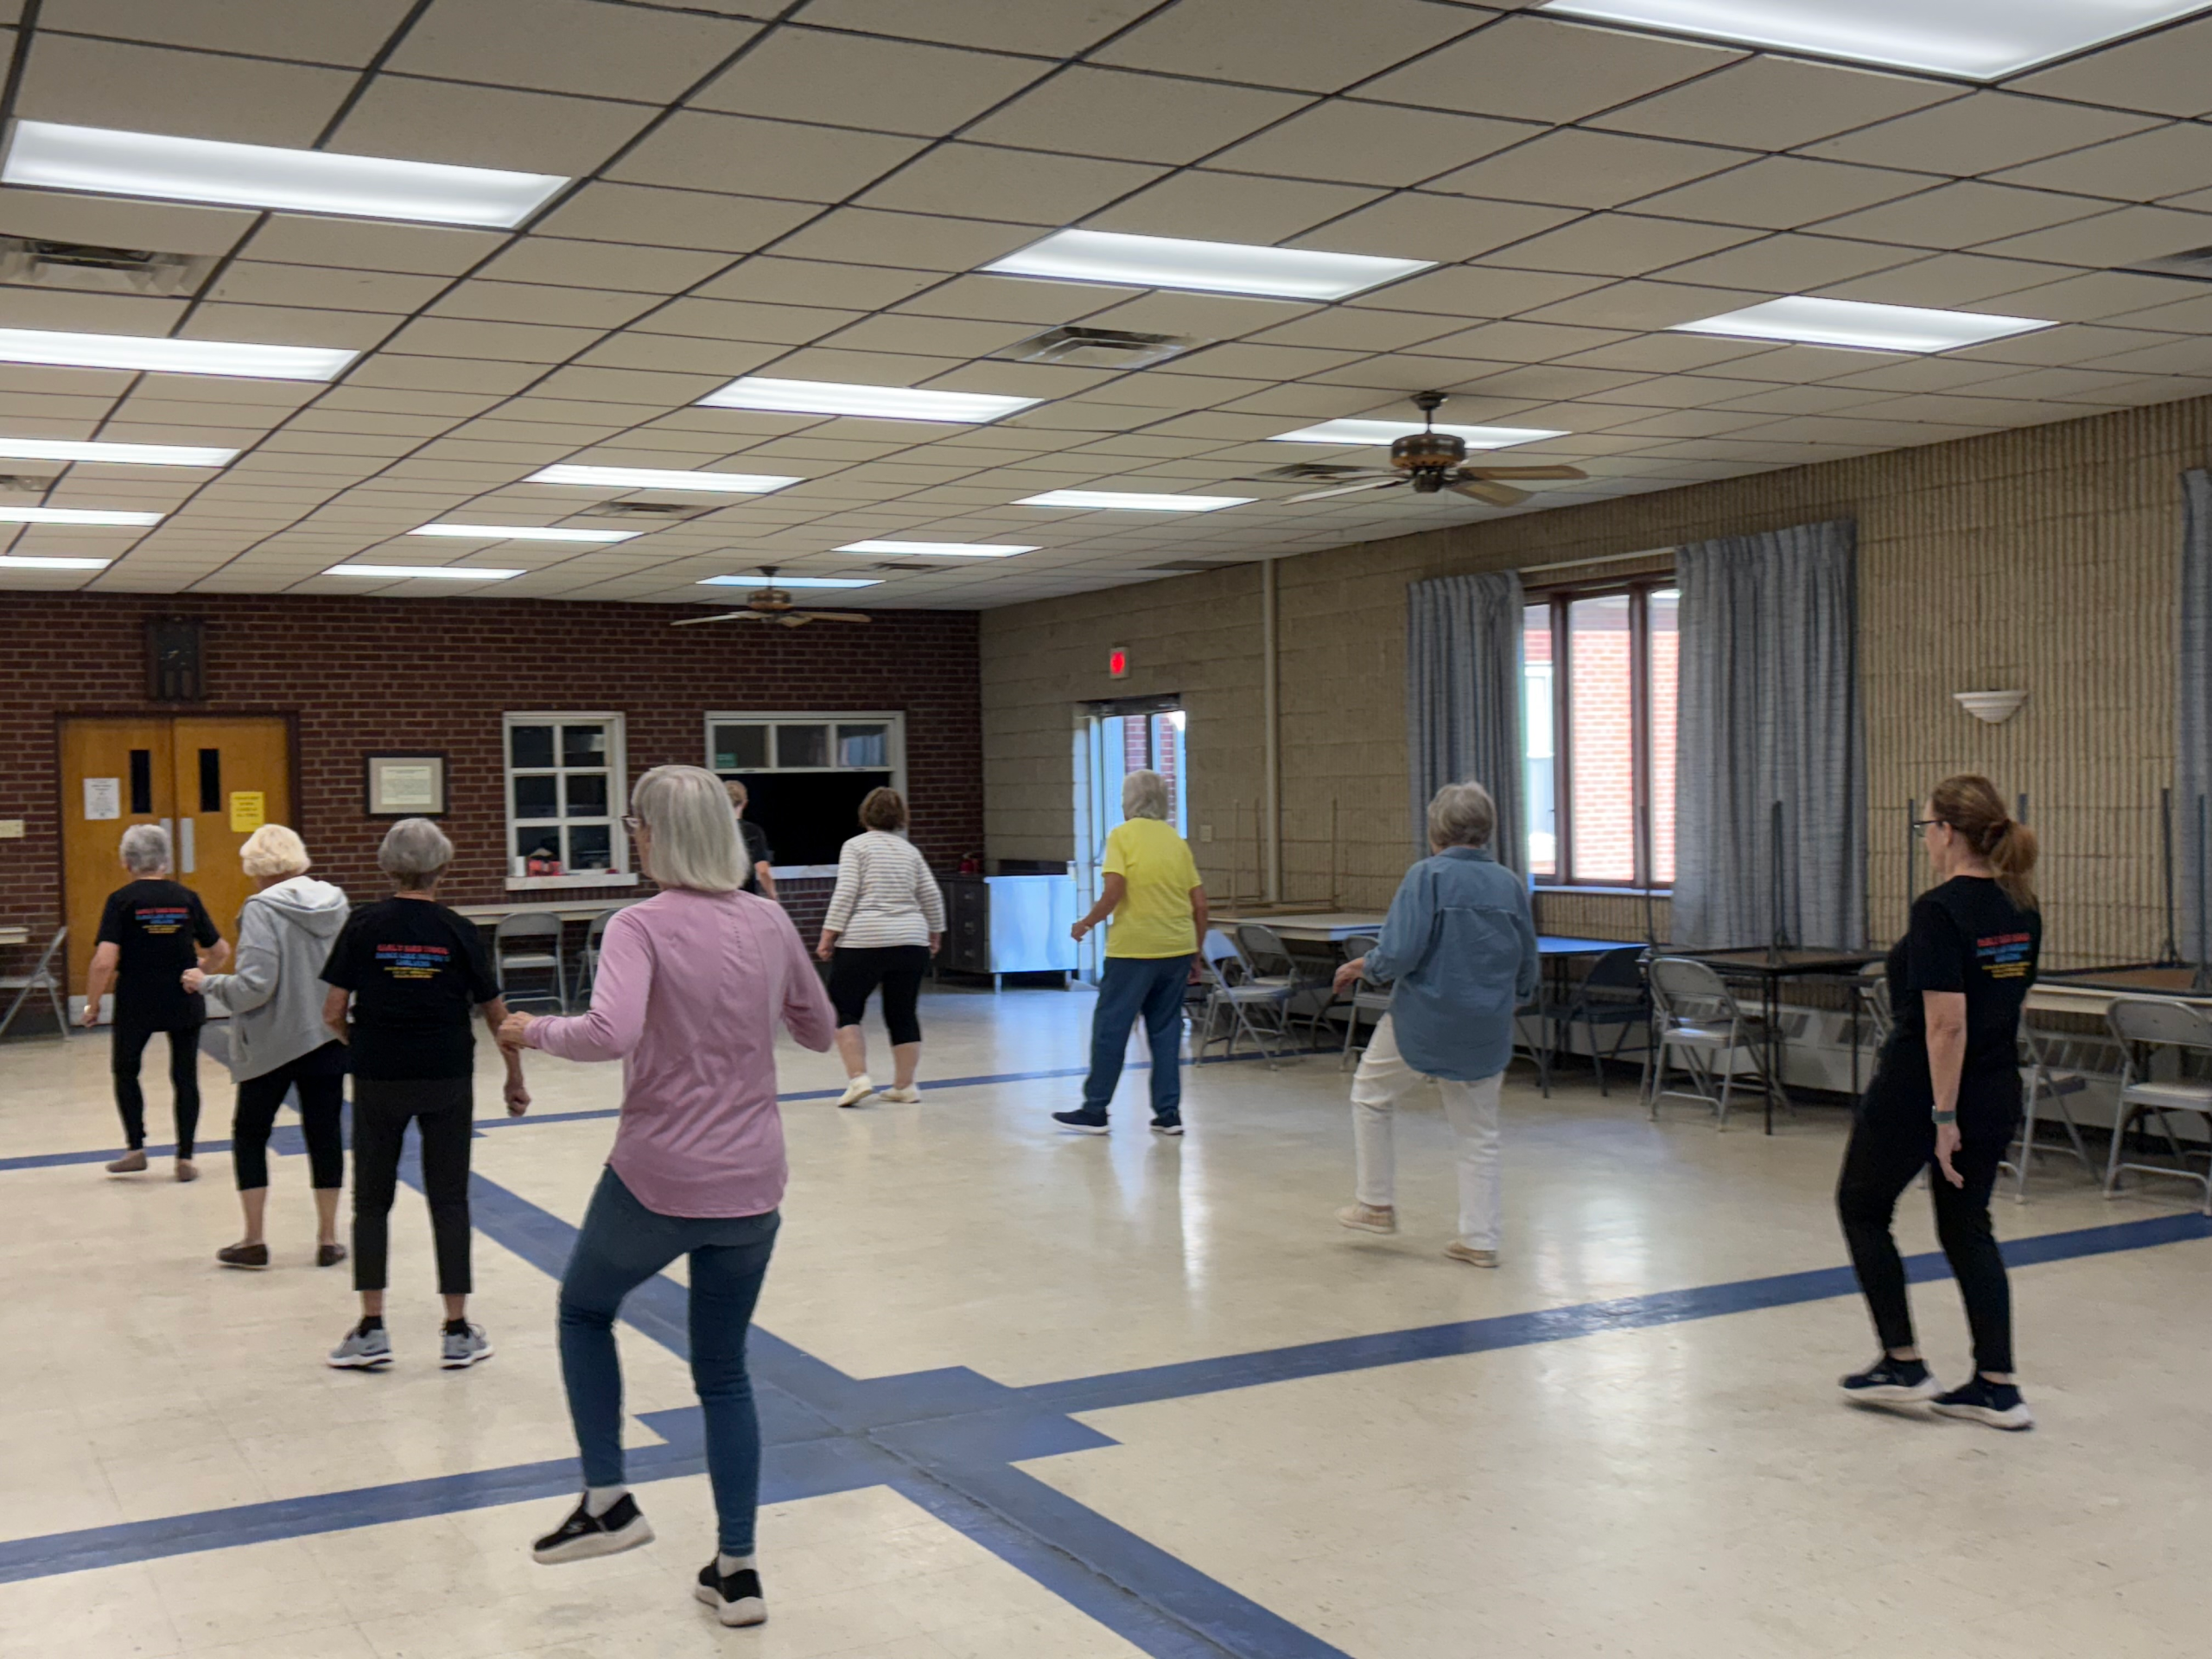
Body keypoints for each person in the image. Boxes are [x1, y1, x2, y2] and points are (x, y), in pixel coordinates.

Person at [501, 766, 835, 1628]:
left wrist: (527, 1029)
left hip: (657, 1176)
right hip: (753, 1184)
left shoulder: (637, 925)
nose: (631, 838)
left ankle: (608, 1499)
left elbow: (610, 1033)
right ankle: (737, 1570)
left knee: (583, 1310)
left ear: (655, 833)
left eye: (635, 825)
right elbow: (817, 1028)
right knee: (723, 1374)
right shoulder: (767, 919)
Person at [1837, 775, 2041, 1432]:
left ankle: (1903, 1361)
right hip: (1995, 1086)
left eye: (1926, 827)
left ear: (1947, 833)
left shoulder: (1940, 910)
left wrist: (1942, 1118)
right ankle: (1996, 1384)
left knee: (1862, 1206)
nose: (1926, 839)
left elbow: (1944, 1024)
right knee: (1965, 1225)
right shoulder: (2021, 907)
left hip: (1923, 1092)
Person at [320, 818, 528, 1371]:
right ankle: (457, 1329)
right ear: (444, 866)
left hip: (378, 1076)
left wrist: (362, 1042)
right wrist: (515, 1078)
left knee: (372, 1200)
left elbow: (332, 1012)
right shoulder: (458, 930)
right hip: (446, 1075)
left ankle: (370, 1327)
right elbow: (496, 1014)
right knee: (450, 1197)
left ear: (387, 865)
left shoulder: (362, 924)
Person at [1331, 781, 1536, 1267]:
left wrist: (1369, 967)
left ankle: (1375, 1202)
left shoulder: (1427, 877)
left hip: (1423, 1016)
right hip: (1486, 1023)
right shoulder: (1509, 883)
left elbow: (1401, 950)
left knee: (1370, 1094)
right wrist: (1514, 1001)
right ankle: (1480, 1240)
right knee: (1478, 1132)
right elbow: (1527, 959)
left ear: (1437, 830)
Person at [183, 824, 351, 1269]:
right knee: (326, 1133)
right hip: (327, 1035)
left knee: (251, 1133)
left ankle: (254, 1239)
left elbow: (257, 985)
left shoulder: (261, 908)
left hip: (273, 1043)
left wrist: (208, 983)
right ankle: (329, 1238)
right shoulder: (336, 902)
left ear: (256, 867)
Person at [1053, 770, 1206, 1137]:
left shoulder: (1122, 837)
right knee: (1166, 1030)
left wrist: (1086, 923)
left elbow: (1114, 891)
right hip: (1177, 948)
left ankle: (1095, 1109)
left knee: (1112, 1027)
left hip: (1134, 950)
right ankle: (1168, 1114)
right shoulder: (1175, 840)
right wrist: (1195, 954)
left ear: (1130, 800)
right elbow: (1200, 904)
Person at [82, 823, 229, 1182]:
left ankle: (135, 1148)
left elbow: (104, 961)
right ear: (166, 860)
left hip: (137, 1001)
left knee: (126, 1069)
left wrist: (92, 1004)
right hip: (184, 997)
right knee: (185, 1076)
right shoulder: (187, 898)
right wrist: (201, 970)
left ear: (126, 862)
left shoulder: (121, 901)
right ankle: (185, 1158)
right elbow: (220, 951)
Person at [816, 786, 944, 1108]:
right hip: (911, 940)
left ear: (865, 815)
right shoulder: (909, 851)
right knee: (903, 1012)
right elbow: (931, 894)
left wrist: (828, 935)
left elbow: (846, 892)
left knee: (844, 1008)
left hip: (864, 939)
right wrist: (935, 932)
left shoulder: (856, 847)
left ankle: (859, 1079)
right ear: (900, 817)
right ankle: (905, 1085)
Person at [723, 779, 778, 899]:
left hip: (714, 898)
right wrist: (772, 895)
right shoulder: (752, 831)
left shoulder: (710, 830)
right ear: (744, 803)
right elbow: (762, 870)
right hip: (743, 897)